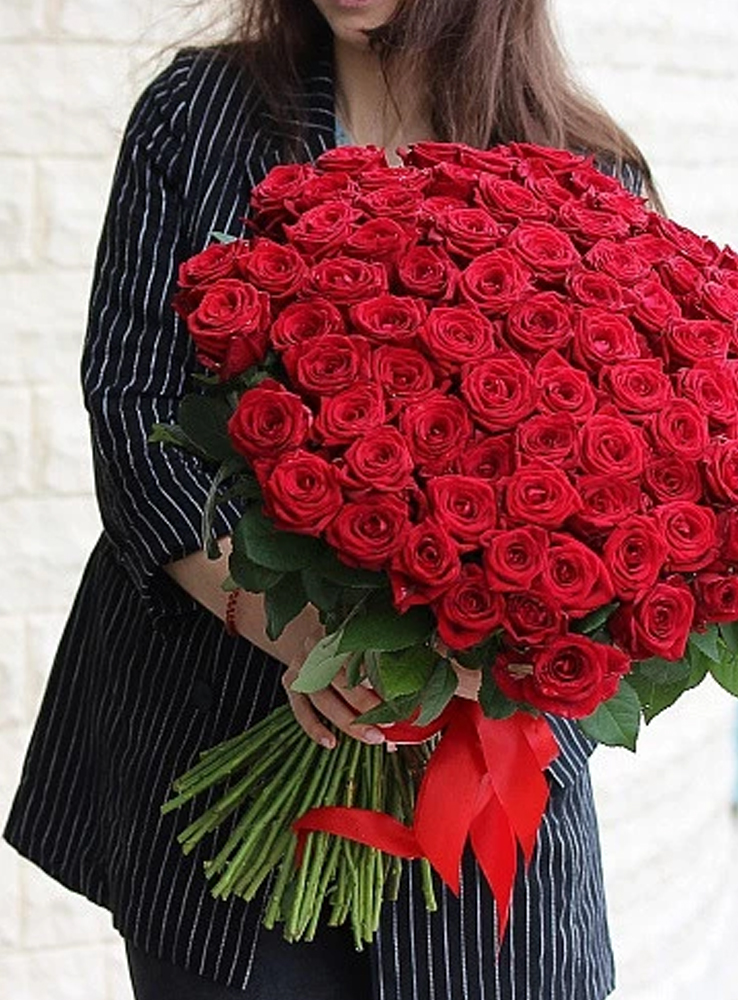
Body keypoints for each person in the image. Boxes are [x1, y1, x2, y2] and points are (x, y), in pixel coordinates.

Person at [5, 2, 657, 998]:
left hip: (485, 801)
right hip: (220, 760)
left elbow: (630, 501)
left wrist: (494, 646)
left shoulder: (592, 177)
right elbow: (133, 405)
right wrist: (294, 629)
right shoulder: (199, 114)